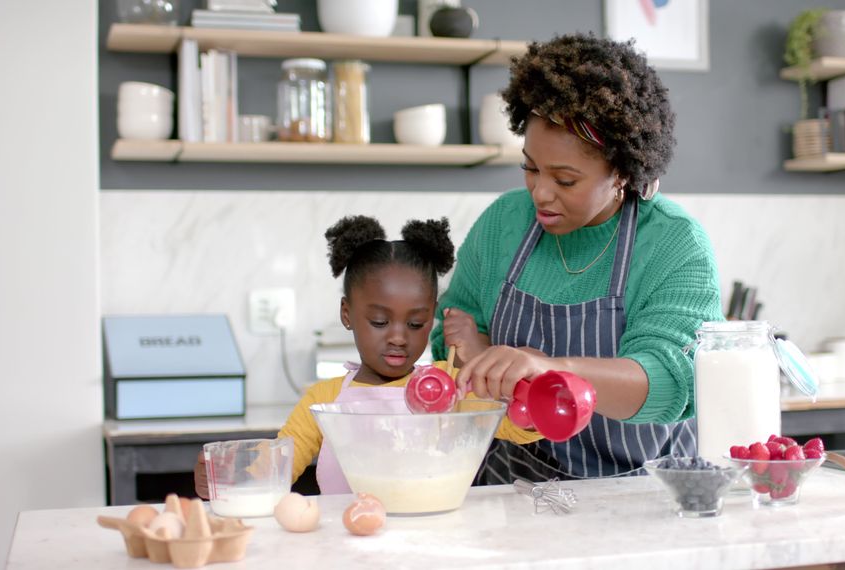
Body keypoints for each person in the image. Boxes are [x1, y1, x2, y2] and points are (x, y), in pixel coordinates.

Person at [432, 33, 723, 484]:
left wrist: (549, 368)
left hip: (644, 493)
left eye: (565, 180)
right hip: (515, 487)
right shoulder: (503, 224)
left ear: (622, 172)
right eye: (530, 168)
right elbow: (449, 336)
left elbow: (673, 381)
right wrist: (473, 355)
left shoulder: (672, 242)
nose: (540, 193)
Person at [195, 216, 539, 498]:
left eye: (416, 322)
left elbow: (522, 426)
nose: (398, 337)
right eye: (379, 321)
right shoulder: (325, 399)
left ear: (433, 315)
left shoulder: (448, 388)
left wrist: (522, 384)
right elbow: (277, 468)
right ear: (347, 314)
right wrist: (229, 478)